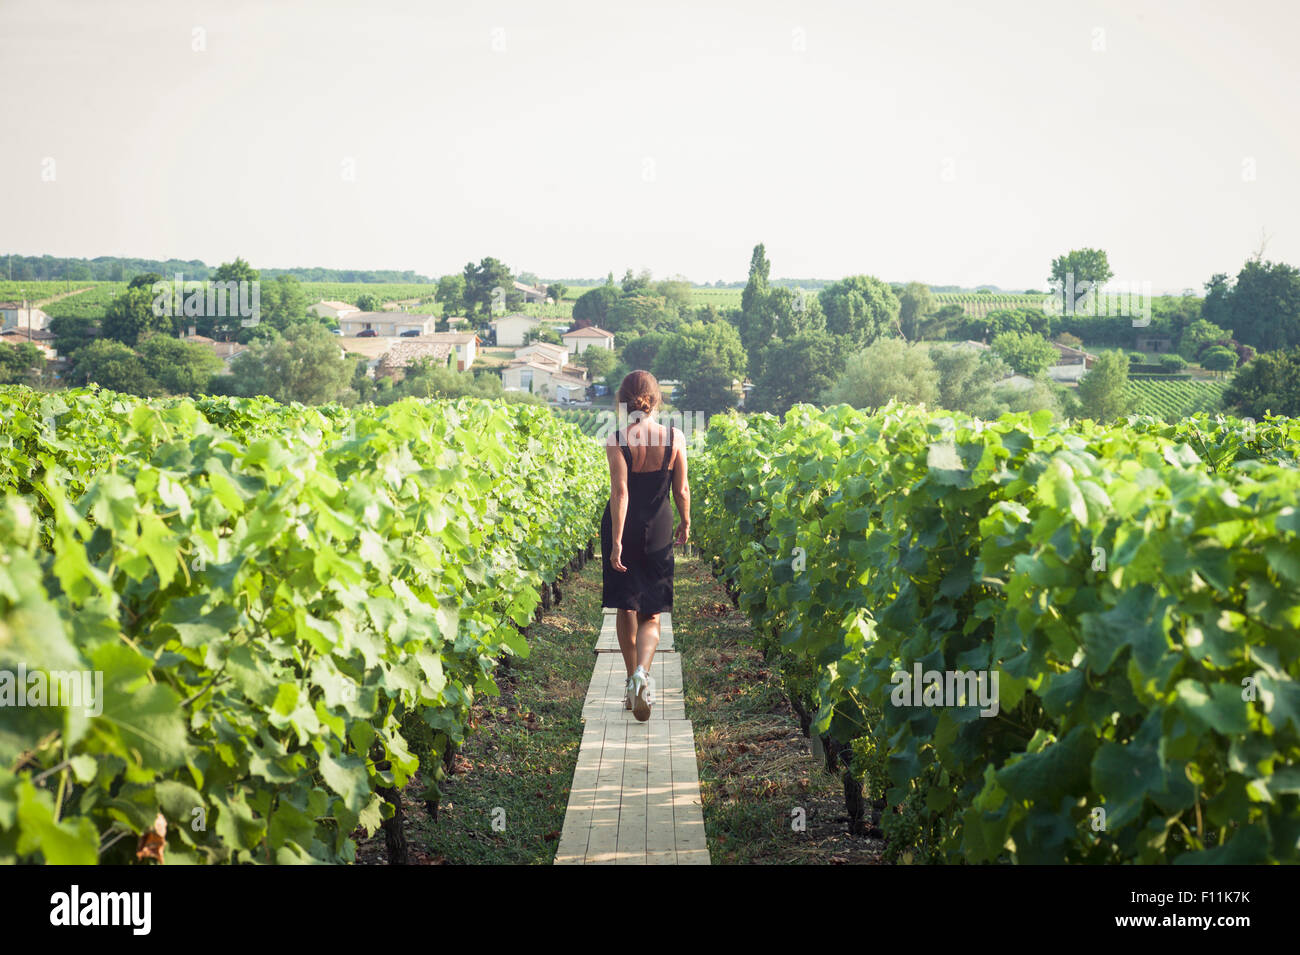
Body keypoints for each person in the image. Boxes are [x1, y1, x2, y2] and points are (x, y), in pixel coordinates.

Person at [601, 369, 690, 722]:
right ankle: (642, 674)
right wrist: (686, 520)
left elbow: (620, 494)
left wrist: (617, 541)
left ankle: (629, 681)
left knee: (626, 608)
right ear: (656, 400)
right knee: (651, 613)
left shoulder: (617, 439)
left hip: (624, 527)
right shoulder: (674, 437)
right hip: (659, 529)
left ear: (622, 402)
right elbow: (681, 490)